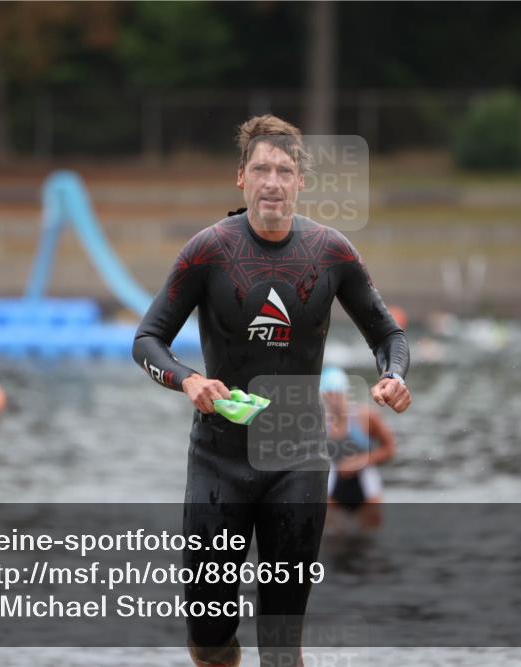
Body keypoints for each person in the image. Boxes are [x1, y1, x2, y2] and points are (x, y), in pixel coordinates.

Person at [132, 114, 411, 667]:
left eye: (284, 170)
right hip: (218, 459)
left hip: (298, 459)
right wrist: (188, 378)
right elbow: (147, 340)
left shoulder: (331, 252)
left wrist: (394, 376)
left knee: (282, 641)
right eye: (261, 168)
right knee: (210, 635)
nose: (272, 181)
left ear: (300, 182)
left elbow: (389, 334)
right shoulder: (207, 250)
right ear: (241, 177)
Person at [320, 366, 396, 531]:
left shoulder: (365, 417)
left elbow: (390, 449)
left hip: (366, 485)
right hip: (333, 486)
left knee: (370, 540)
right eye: (329, 394)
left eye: (338, 393)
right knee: (333, 542)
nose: (334, 399)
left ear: (346, 392)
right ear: (323, 396)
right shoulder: (318, 423)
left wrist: (360, 461)